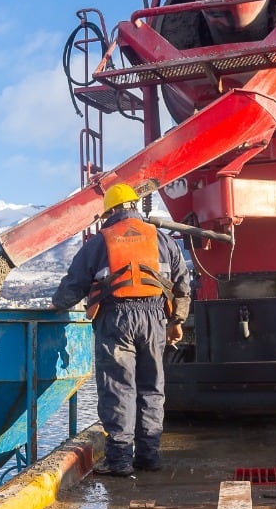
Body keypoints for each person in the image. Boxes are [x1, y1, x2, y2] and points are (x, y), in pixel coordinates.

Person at [52, 183, 191, 476]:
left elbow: (74, 284)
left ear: (111, 211)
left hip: (116, 319)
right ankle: (149, 456)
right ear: (134, 207)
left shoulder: (100, 241)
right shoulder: (163, 239)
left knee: (119, 388)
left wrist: (55, 306)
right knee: (152, 388)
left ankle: (119, 461)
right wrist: (177, 321)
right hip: (154, 319)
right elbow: (182, 284)